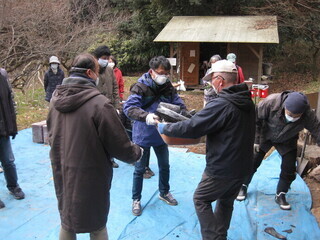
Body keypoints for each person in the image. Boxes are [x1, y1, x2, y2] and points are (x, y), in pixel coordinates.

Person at [47, 53, 142, 240]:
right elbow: (119, 145)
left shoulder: (55, 99)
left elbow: (51, 133)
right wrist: (137, 152)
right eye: (98, 71)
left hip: (62, 168)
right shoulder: (99, 104)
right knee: (97, 223)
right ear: (90, 73)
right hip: (91, 173)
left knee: (67, 220)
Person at [157, 60, 256, 240]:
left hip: (222, 169)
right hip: (242, 167)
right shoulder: (246, 100)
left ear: (220, 80)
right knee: (226, 202)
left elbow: (193, 127)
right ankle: (221, 235)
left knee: (201, 199)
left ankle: (214, 237)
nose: (211, 85)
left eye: (211, 81)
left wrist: (165, 128)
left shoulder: (222, 104)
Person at [124, 56, 187, 216]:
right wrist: (146, 116)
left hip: (162, 133)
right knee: (139, 169)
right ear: (151, 72)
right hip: (143, 134)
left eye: (166, 73)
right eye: (160, 73)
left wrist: (186, 113)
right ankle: (136, 199)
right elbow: (130, 108)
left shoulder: (167, 86)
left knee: (164, 166)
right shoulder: (140, 86)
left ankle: (164, 192)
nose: (163, 76)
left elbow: (178, 103)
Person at [236, 91, 320, 210]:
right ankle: (242, 186)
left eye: (296, 116)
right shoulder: (270, 103)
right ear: (285, 106)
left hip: (288, 138)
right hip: (265, 134)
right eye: (290, 114)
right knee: (253, 161)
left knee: (289, 168)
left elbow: (317, 131)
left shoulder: (308, 115)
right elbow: (255, 120)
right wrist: (256, 140)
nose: (292, 118)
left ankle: (281, 194)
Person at [0, 68, 25, 209]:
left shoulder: (2, 75)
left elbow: (10, 102)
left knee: (8, 161)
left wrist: (12, 126)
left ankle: (14, 186)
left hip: (3, 129)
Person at [92, 46, 121, 168]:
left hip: (109, 106)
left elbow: (115, 87)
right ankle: (97, 159)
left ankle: (111, 158)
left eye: (108, 58)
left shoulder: (110, 70)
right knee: (96, 135)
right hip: (95, 108)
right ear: (97, 58)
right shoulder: (92, 71)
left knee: (110, 134)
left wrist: (117, 106)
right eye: (104, 58)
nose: (107, 61)